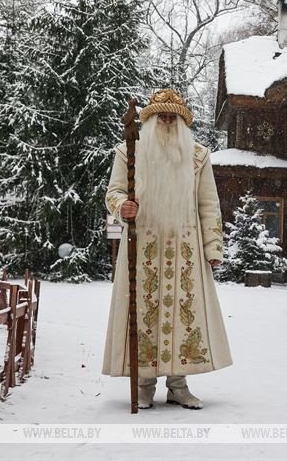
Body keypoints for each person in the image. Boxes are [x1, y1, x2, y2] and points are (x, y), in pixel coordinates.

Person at [102, 88, 232, 409]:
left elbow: (209, 203)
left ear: (183, 123)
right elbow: (113, 192)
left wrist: (213, 246)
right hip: (143, 243)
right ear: (149, 120)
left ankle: (178, 383)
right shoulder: (129, 153)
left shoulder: (198, 156)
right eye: (161, 117)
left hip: (186, 248)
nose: (167, 122)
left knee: (183, 314)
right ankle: (144, 383)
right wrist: (123, 207)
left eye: (173, 118)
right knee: (144, 310)